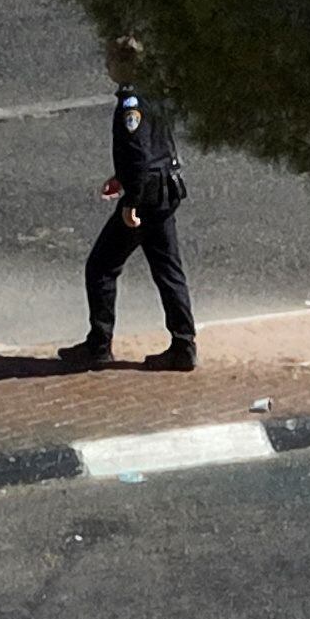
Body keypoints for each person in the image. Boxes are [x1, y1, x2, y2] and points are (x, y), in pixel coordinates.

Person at [57, 36, 197, 372]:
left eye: (111, 60)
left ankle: (99, 345)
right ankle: (183, 344)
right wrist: (121, 178)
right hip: (165, 191)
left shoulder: (130, 104)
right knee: (168, 270)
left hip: (146, 198)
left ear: (126, 64)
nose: (107, 66)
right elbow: (157, 146)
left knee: (101, 267)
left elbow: (138, 154)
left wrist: (130, 202)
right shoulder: (157, 93)